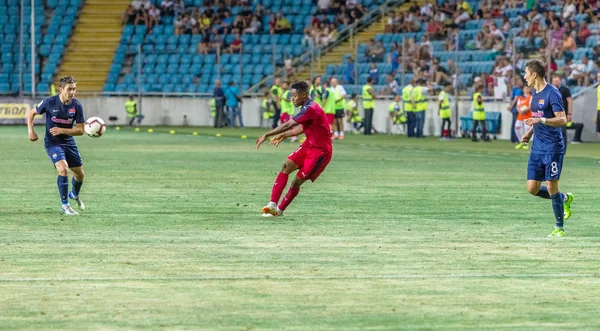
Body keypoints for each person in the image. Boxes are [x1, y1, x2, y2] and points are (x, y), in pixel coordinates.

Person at [256, 81, 332, 216]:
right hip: (308, 145)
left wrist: (267, 134)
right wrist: (284, 135)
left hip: (320, 152)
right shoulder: (307, 106)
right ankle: (272, 204)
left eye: (294, 95)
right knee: (286, 166)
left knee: (296, 181)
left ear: (304, 95)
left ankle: (279, 210)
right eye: (291, 95)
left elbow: (288, 125)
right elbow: (303, 127)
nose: (292, 98)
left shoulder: (311, 108)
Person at [521, 60, 574, 237]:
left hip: (552, 147)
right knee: (532, 188)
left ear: (534, 74)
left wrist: (541, 121)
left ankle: (559, 227)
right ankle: (564, 198)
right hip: (537, 148)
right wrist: (529, 133)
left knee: (551, 185)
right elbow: (538, 117)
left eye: (526, 73)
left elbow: (562, 119)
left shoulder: (553, 93)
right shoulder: (535, 93)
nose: (524, 76)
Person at [26, 76, 86, 215]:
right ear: (61, 89)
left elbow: (81, 130)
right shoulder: (49, 102)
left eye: (74, 89)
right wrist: (31, 131)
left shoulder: (76, 105)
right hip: (52, 142)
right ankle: (65, 205)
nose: (72, 92)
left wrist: (62, 130)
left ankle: (75, 195)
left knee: (80, 175)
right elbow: (31, 113)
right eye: (69, 89)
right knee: (63, 169)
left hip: (69, 142)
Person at [551, 75, 573, 149]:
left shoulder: (565, 89)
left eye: (556, 81)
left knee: (562, 132)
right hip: (551, 114)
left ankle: (562, 150)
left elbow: (569, 101)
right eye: (554, 81)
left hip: (562, 114)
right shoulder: (550, 90)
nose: (555, 83)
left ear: (560, 81)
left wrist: (569, 113)